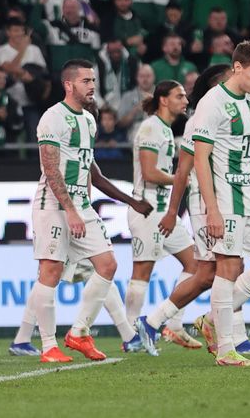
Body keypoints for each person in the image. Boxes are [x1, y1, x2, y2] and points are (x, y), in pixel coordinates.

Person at [141, 64, 250, 358]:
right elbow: (184, 170)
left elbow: (248, 154)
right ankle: (155, 321)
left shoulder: (242, 109)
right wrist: (173, 210)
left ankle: (232, 334)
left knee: (224, 270)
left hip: (234, 197)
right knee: (211, 273)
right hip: (207, 204)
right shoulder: (200, 120)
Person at [187, 41, 250, 367]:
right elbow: (201, 159)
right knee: (227, 269)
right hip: (225, 199)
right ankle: (226, 349)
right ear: (237, 67)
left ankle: (212, 319)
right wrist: (211, 208)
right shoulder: (212, 103)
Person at [29, 59, 118, 363]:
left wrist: (85, 206)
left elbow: (85, 169)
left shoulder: (89, 120)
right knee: (50, 272)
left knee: (107, 264)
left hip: (81, 206)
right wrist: (70, 210)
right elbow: (51, 170)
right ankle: (48, 346)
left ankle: (79, 332)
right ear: (68, 85)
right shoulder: (52, 117)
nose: (92, 86)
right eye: (85, 81)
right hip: (53, 206)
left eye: (93, 80)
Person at [126, 80, 202, 354]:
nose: (185, 100)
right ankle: (131, 333)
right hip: (146, 210)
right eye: (179, 96)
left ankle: (174, 324)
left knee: (196, 263)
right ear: (163, 100)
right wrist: (182, 179)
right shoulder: (150, 128)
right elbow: (149, 173)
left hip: (162, 211)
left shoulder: (166, 130)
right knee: (142, 272)